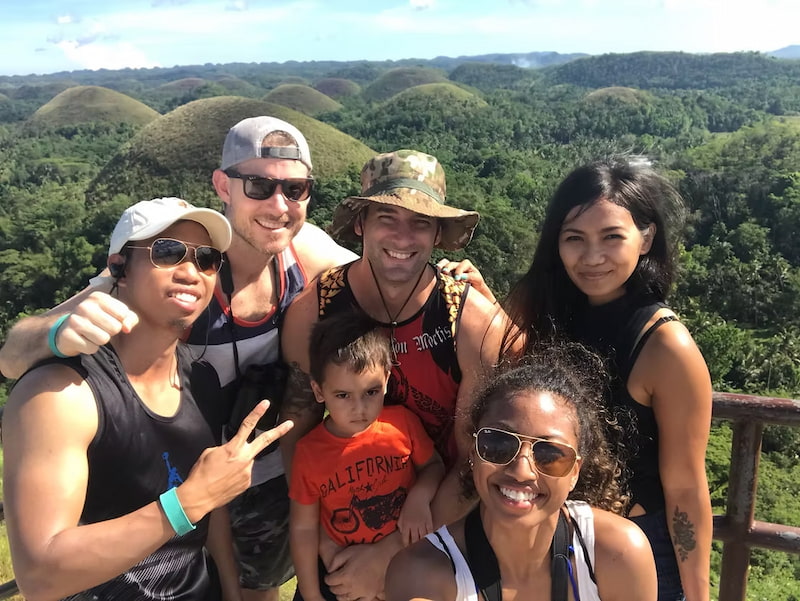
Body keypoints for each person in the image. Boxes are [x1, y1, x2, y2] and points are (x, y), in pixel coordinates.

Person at [0, 116, 357, 601]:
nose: (279, 205)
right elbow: (15, 353)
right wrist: (59, 333)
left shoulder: (303, 251)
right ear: (223, 186)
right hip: (170, 473)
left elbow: (383, 276)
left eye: (295, 189)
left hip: (262, 475)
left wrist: (456, 280)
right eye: (259, 185)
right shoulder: (173, 268)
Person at [2, 197, 294, 601]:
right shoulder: (62, 394)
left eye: (207, 259)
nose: (191, 272)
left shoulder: (202, 380)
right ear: (119, 268)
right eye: (168, 252)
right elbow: (39, 575)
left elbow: (214, 515)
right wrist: (187, 502)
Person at [280, 149, 505, 601]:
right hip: (342, 534)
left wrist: (389, 553)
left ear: (438, 232)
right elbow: (295, 436)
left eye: (421, 221)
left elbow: (472, 459)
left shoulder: (470, 322)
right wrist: (322, 539)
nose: (404, 235)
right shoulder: (316, 310)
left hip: (442, 529)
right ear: (361, 223)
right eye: (388, 216)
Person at [501, 159, 712, 601]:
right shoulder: (552, 312)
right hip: (553, 539)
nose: (592, 257)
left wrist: (696, 595)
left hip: (638, 548)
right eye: (574, 238)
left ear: (646, 237)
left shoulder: (665, 345)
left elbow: (686, 488)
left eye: (612, 237)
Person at [386, 343, 657, 601]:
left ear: (575, 472)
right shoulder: (422, 575)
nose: (521, 470)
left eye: (550, 454)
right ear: (473, 452)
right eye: (498, 444)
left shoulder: (618, 555)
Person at [289, 312, 445, 601]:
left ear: (387, 378)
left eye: (371, 392)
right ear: (318, 390)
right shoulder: (308, 452)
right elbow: (303, 527)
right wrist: (311, 594)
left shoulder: (402, 423)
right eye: (343, 395)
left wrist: (420, 496)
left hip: (402, 567)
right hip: (339, 576)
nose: (359, 408)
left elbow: (434, 466)